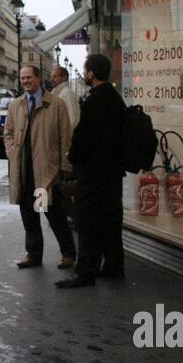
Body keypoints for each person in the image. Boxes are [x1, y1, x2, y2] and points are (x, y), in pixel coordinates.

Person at [61, 53, 128, 288]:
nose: (85, 73)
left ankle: (85, 272)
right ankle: (113, 266)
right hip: (113, 172)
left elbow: (83, 137)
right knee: (110, 220)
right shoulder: (115, 99)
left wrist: (73, 158)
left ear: (91, 73)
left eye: (85, 70)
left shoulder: (95, 101)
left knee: (87, 222)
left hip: (93, 172)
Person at [3, 64, 76, 271]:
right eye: (22, 78)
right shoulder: (15, 105)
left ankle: (68, 253)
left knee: (52, 213)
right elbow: (7, 133)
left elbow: (65, 138)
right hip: (23, 171)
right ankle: (33, 254)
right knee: (28, 213)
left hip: (45, 172)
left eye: (29, 77)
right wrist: (12, 152)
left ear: (38, 79)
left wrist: (64, 166)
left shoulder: (55, 104)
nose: (25, 81)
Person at [51, 65, 81, 131]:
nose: (52, 79)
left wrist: (66, 136)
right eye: (52, 77)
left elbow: (72, 117)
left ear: (64, 78)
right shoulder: (56, 92)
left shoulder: (67, 93)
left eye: (55, 77)